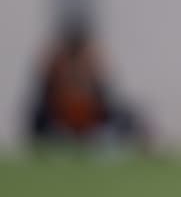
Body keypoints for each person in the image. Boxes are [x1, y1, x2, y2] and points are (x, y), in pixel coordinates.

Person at [26, 19, 150, 152]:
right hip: (60, 128)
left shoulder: (91, 64)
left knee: (126, 117)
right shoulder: (56, 65)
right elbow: (42, 105)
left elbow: (106, 102)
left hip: (92, 127)